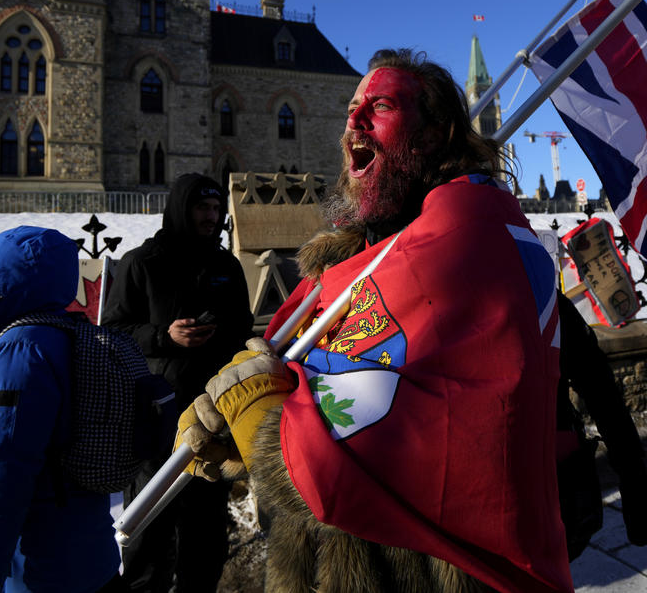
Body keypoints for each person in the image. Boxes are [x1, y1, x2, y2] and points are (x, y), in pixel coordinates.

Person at [176, 48, 580, 592]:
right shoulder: (346, 264)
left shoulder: (470, 244)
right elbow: (307, 373)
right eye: (350, 108)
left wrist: (263, 429)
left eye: (381, 104)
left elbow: (409, 438)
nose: (353, 121)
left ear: (434, 135)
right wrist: (237, 419)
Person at [0, 226, 121, 592]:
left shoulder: (19, 353)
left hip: (38, 571)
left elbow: (0, 491)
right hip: (90, 554)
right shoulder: (66, 333)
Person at [102, 173, 254, 592]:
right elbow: (113, 330)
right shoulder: (144, 262)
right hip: (158, 419)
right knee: (149, 531)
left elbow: (243, 330)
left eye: (215, 209)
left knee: (205, 537)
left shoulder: (226, 266)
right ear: (181, 209)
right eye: (201, 208)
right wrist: (163, 336)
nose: (211, 217)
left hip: (212, 420)